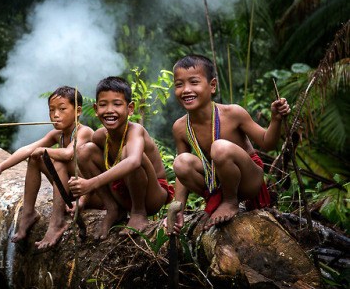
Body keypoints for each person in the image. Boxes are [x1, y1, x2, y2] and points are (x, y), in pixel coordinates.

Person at [166, 55, 291, 233]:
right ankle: (218, 199)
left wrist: (276, 119)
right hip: (216, 182)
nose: (186, 90)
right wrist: (178, 207)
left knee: (220, 147)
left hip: (248, 180)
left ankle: (230, 202)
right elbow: (181, 175)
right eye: (179, 84)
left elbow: (267, 143)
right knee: (181, 162)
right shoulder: (180, 127)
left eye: (194, 82)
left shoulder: (232, 113)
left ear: (212, 85)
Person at [0, 86, 93, 249]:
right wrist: (0, 167)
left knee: (56, 159)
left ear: (77, 111)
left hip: (89, 192)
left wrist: (45, 150)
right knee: (35, 158)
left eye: (62, 109)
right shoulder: (57, 135)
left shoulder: (84, 132)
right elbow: (28, 149)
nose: (55, 115)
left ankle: (57, 223)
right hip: (69, 189)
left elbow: (69, 153)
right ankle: (29, 213)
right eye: (51, 110)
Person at [69, 76, 175, 240]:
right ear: (96, 109)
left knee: (129, 154)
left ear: (130, 108)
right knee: (84, 151)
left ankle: (138, 212)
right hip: (123, 192)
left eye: (117, 104)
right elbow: (86, 161)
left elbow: (133, 162)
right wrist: (81, 192)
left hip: (151, 196)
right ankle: (113, 209)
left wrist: (91, 183)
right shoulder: (100, 136)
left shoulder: (135, 131)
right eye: (103, 105)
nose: (110, 110)